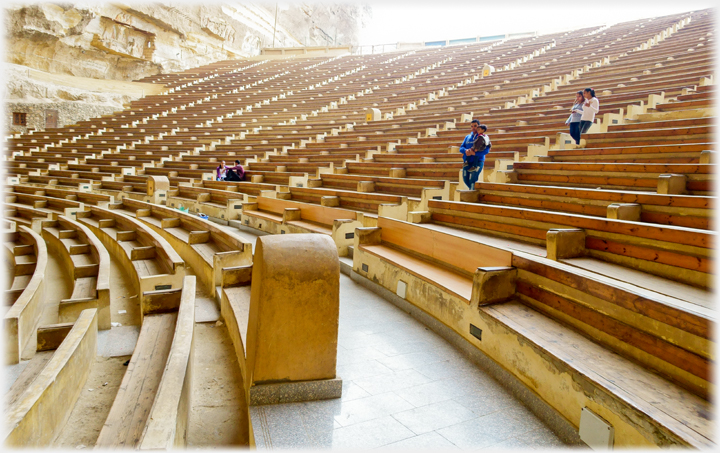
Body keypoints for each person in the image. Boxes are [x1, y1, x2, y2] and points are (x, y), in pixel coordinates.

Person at [459, 120, 491, 189]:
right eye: (472, 126)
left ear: (479, 126)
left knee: (472, 180)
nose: (473, 128)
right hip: (467, 162)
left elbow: (487, 150)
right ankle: (473, 191)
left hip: (478, 162)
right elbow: (461, 148)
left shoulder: (484, 137)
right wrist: (465, 151)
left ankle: (472, 194)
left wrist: (475, 153)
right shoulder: (467, 137)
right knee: (465, 179)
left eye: (475, 126)